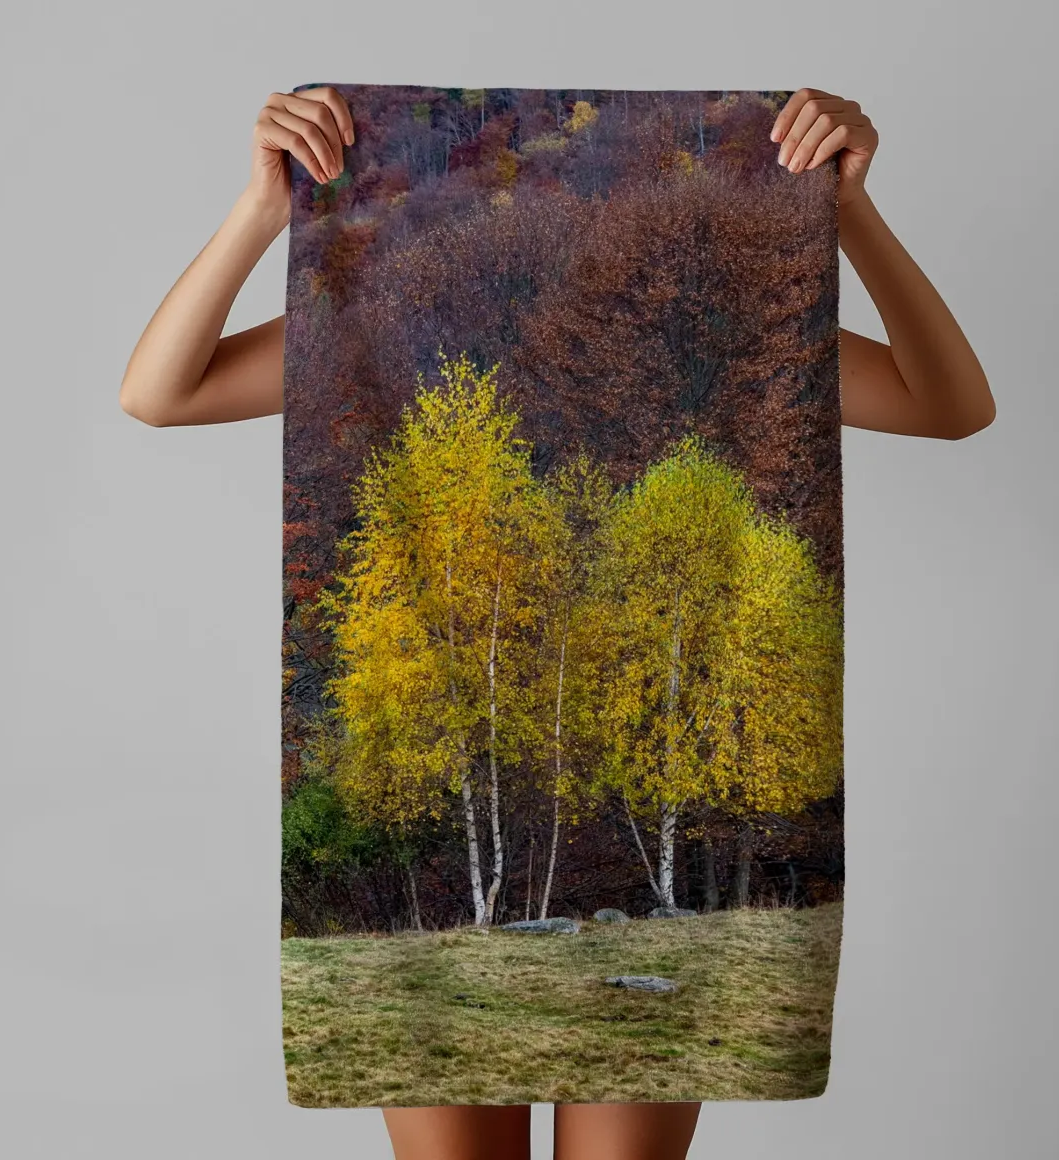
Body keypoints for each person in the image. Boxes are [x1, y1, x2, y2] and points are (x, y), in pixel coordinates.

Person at [120, 85, 994, 1160]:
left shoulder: (703, 338)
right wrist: (264, 213)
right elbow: (156, 392)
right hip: (458, 785)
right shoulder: (381, 330)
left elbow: (950, 405)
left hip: (651, 778)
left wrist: (843, 214)